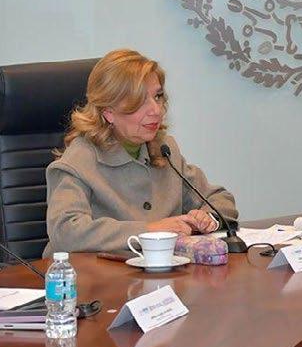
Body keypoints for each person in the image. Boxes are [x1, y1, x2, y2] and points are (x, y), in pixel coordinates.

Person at [44, 49, 238, 256]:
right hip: (96, 273)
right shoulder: (79, 161)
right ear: (109, 113)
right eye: (140, 101)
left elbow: (220, 198)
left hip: (161, 269)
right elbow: (66, 232)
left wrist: (207, 218)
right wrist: (149, 230)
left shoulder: (164, 150)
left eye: (157, 96)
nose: (156, 110)